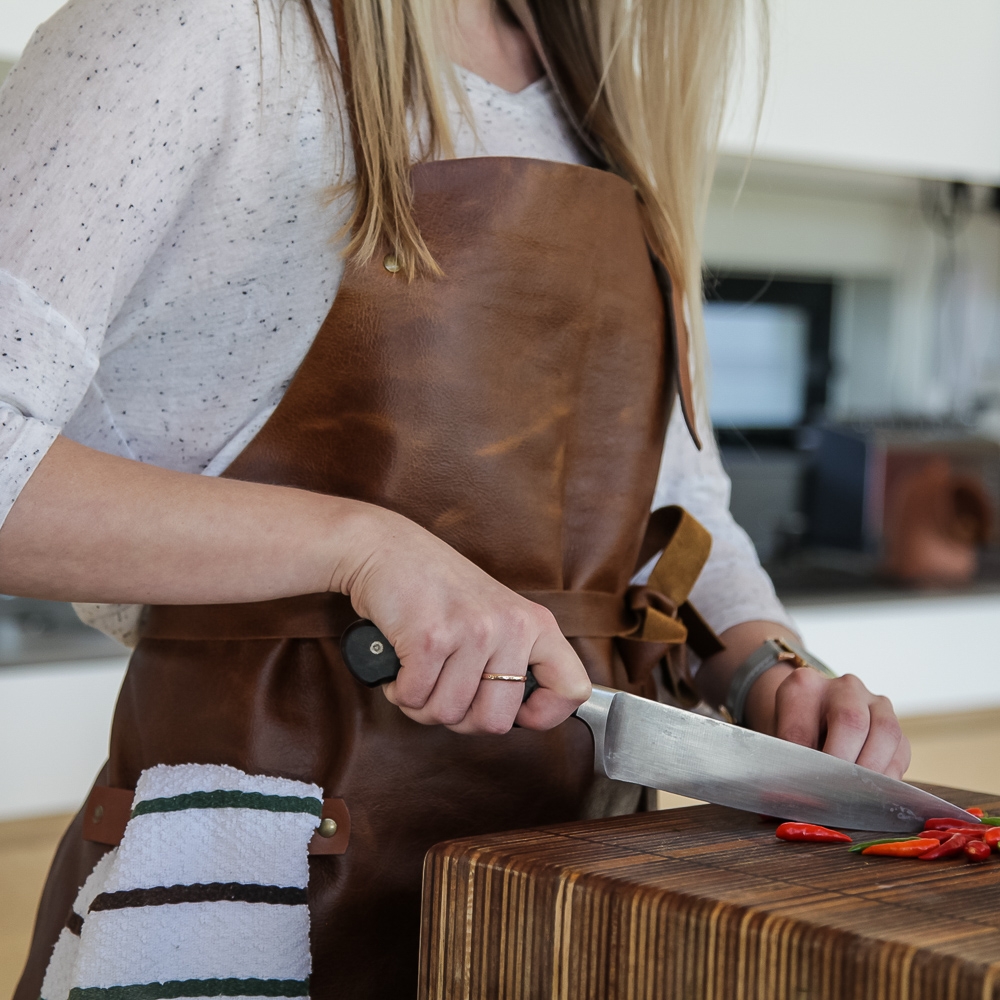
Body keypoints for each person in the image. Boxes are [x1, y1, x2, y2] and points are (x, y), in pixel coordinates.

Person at [5, 1, 909, 997]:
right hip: (263, 885)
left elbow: (680, 502)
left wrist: (761, 667)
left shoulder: (601, 115)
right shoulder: (205, 29)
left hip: (569, 891)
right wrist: (364, 549)